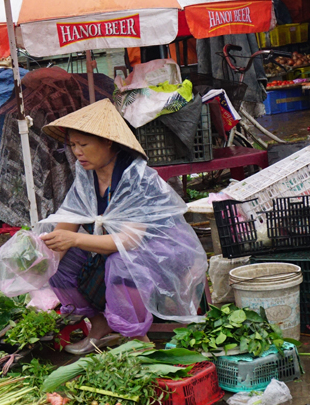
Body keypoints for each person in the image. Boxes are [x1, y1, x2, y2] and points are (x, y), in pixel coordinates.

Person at [39, 98, 207, 355]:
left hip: (162, 250)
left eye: (84, 144)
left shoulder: (137, 178)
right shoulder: (87, 176)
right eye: (72, 145)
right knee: (60, 261)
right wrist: (42, 261)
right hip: (115, 246)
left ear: (108, 141)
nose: (77, 152)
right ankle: (100, 327)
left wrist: (73, 240)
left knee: (120, 263)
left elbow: (129, 242)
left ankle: (138, 339)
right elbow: (66, 225)